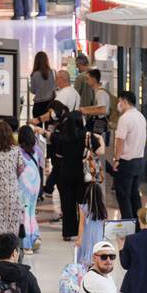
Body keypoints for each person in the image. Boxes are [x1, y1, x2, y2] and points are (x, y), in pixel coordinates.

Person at [51, 110, 89, 242]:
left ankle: (68, 232)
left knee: (67, 204)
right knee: (82, 204)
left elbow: (58, 154)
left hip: (66, 173)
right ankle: (83, 230)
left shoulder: (63, 136)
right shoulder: (85, 135)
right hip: (82, 174)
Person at [110, 91, 146, 222]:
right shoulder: (141, 116)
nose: (118, 105)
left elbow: (120, 141)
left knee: (123, 195)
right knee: (134, 195)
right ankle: (138, 225)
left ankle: (128, 225)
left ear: (124, 101)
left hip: (126, 162)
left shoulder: (125, 118)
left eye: (120, 101)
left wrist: (116, 159)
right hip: (139, 161)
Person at [17, 124, 44, 252]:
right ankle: (35, 236)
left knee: (25, 214)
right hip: (35, 184)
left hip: (23, 185)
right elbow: (40, 166)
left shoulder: (18, 152)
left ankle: (27, 244)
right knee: (31, 213)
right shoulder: (38, 150)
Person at [29, 52, 56, 120]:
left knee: (38, 128)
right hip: (50, 105)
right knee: (50, 128)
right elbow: (55, 87)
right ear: (46, 60)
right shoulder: (52, 72)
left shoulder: (34, 74)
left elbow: (33, 91)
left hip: (38, 105)